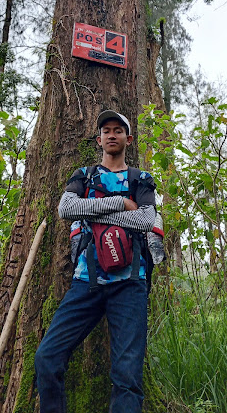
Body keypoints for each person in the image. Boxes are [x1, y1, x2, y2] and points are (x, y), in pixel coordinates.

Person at [34, 110, 157, 413]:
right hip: (86, 281)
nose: (112, 134)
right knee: (47, 357)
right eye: (106, 130)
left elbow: (144, 219)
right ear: (99, 139)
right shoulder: (84, 175)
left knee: (127, 376)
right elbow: (66, 209)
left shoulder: (140, 178)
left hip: (130, 283)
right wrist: (120, 203)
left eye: (118, 130)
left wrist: (90, 209)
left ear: (128, 139)